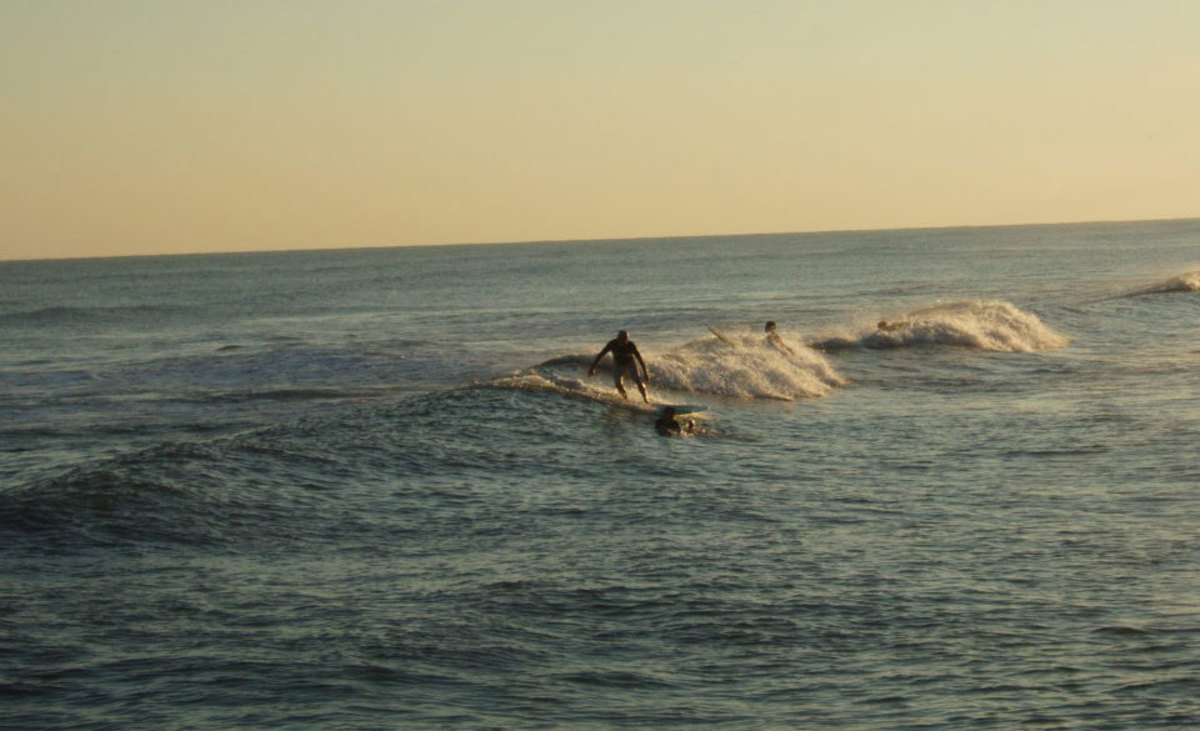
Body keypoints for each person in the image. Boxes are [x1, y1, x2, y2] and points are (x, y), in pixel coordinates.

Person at [588, 330, 649, 402]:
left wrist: (645, 373)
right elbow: (601, 355)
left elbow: (640, 359)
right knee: (618, 384)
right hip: (618, 363)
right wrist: (592, 368)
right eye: (621, 339)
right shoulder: (612, 344)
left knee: (638, 381)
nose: (623, 341)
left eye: (625, 339)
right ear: (618, 338)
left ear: (627, 339)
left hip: (629, 362)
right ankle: (625, 398)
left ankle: (645, 399)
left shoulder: (631, 346)